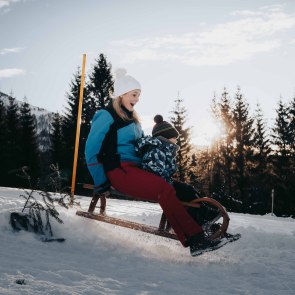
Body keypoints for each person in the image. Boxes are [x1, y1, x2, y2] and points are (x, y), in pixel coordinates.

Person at [85, 68, 219, 256]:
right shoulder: (106, 115)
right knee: (164, 189)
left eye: (139, 95)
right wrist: (100, 182)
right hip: (118, 171)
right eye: (134, 94)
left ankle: (206, 227)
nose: (137, 99)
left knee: (178, 188)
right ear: (121, 94)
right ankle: (195, 239)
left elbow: (141, 146)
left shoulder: (133, 120)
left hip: (137, 170)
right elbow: (91, 150)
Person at [135, 115, 220, 225]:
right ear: (166, 137)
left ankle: (205, 216)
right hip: (157, 185)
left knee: (189, 190)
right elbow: (154, 172)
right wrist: (168, 182)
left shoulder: (165, 150)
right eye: (174, 137)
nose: (176, 139)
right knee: (186, 191)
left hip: (163, 182)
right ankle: (203, 217)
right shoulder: (156, 151)